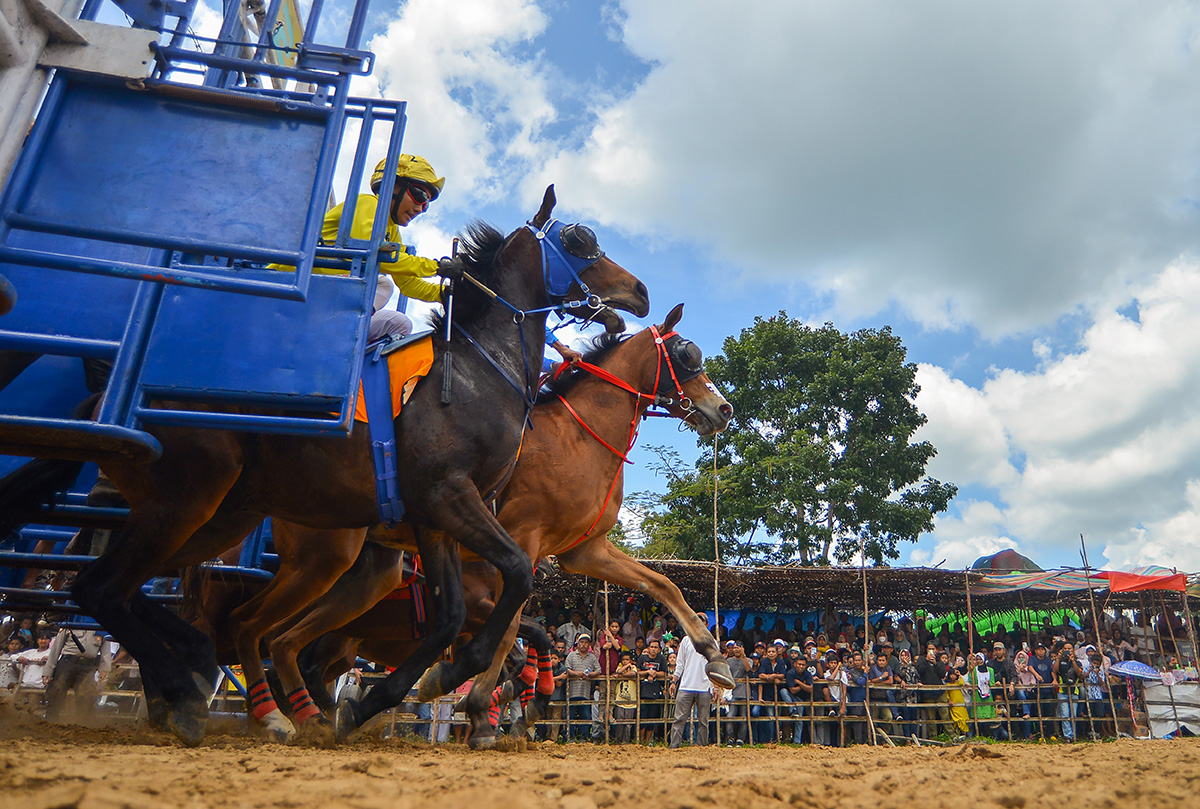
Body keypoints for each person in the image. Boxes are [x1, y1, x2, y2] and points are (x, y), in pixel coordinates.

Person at [43, 627, 112, 723]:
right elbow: (55, 649)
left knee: (87, 695)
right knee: (56, 691)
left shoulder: (100, 627)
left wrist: (104, 669)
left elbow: (106, 651)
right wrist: (48, 671)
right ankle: (50, 720)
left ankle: (83, 722)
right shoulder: (70, 625)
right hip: (68, 662)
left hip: (88, 666)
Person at [668, 612, 713, 748]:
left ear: (706, 624)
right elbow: (680, 663)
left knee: (703, 721)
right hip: (686, 684)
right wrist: (674, 681)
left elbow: (714, 665)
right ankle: (674, 746)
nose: (698, 624)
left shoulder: (711, 641)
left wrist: (715, 686)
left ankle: (701, 746)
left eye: (702, 621)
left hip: (705, 685)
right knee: (679, 719)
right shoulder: (686, 641)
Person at [565, 632, 600, 741]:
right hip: (572, 691)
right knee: (570, 716)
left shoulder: (592, 657)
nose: (584, 644)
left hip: (585, 691)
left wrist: (589, 675)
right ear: (578, 643)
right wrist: (577, 674)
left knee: (585, 716)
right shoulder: (571, 655)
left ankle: (583, 738)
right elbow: (566, 669)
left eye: (586, 642)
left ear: (589, 644)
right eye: (581, 642)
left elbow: (598, 670)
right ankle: (570, 738)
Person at [751, 642, 787, 743]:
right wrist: (769, 677)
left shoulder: (780, 662)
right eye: (769, 652)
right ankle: (771, 739)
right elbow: (761, 675)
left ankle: (777, 738)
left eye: (773, 651)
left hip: (778, 694)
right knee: (771, 717)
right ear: (766, 653)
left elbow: (783, 675)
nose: (771, 653)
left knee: (778, 718)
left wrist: (773, 675)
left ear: (777, 653)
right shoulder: (764, 662)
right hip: (767, 694)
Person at [637, 638, 669, 743]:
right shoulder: (642, 658)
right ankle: (640, 740)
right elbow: (637, 671)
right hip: (643, 691)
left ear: (659, 649)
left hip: (655, 691)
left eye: (655, 647)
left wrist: (655, 673)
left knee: (652, 717)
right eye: (651, 647)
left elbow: (664, 673)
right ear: (648, 648)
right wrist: (648, 672)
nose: (653, 649)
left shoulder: (661, 659)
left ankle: (648, 741)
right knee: (642, 717)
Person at [722, 641, 751, 745]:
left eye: (738, 647)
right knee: (730, 716)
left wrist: (743, 656)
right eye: (734, 648)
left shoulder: (748, 660)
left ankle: (741, 739)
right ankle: (730, 738)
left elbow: (748, 669)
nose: (736, 649)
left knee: (744, 717)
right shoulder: (729, 661)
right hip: (731, 692)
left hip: (743, 691)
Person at [782, 650, 814, 743]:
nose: (801, 666)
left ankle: (797, 741)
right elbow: (792, 690)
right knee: (783, 691)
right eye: (799, 664)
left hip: (801, 699)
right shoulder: (790, 673)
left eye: (803, 665)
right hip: (790, 696)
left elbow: (811, 689)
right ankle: (792, 709)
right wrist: (803, 685)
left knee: (799, 720)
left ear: (806, 665)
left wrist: (799, 683)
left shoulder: (808, 674)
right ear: (795, 664)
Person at [1054, 640, 1083, 742]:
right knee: (1065, 715)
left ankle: (1073, 735)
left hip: (1074, 691)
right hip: (1062, 691)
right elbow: (1055, 671)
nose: (1067, 650)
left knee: (1073, 715)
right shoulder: (1060, 660)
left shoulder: (1078, 662)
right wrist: (1058, 658)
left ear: (1073, 650)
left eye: (1069, 649)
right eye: (1065, 649)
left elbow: (1079, 673)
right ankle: (1068, 736)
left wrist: (1073, 660)